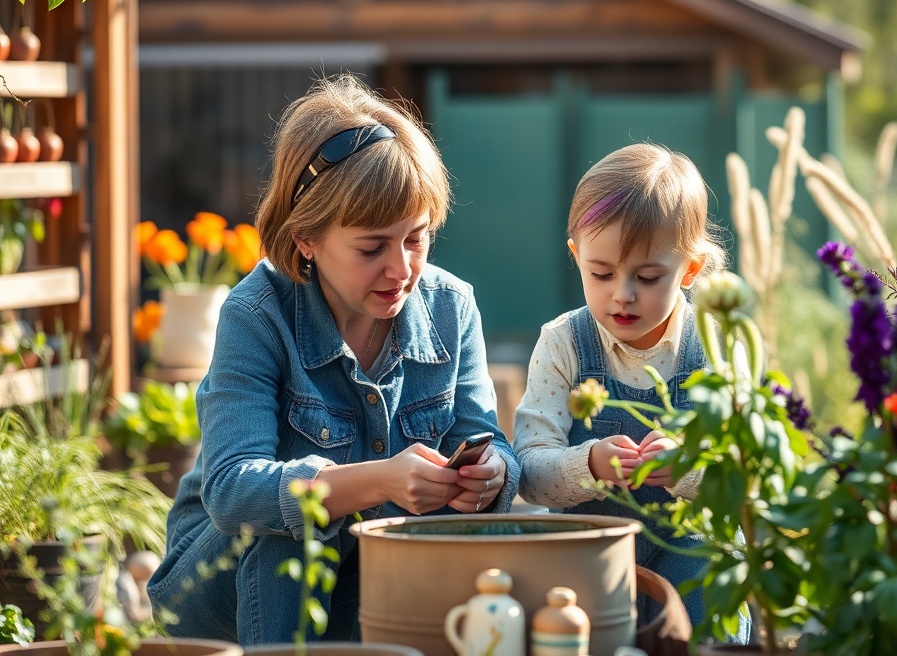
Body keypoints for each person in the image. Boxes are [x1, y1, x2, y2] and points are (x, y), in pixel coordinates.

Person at [148, 73, 520, 645]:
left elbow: (487, 440)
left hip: (365, 580)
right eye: (372, 247)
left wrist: (489, 475)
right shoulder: (257, 315)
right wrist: (376, 482)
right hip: (221, 586)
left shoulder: (451, 306)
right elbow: (231, 489)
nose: (401, 269)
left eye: (416, 238)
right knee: (292, 521)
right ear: (304, 238)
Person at [513, 142, 749, 642]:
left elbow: (747, 476)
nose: (622, 293)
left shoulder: (714, 344)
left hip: (693, 558)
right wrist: (589, 463)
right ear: (576, 256)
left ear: (688, 270)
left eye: (646, 277)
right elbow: (529, 474)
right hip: (586, 560)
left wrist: (689, 468)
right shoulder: (563, 344)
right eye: (601, 274)